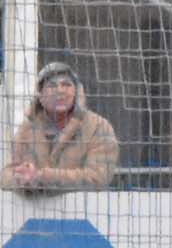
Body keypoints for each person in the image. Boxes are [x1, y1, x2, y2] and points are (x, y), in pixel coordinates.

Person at [4, 62, 118, 191]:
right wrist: (21, 179)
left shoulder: (98, 127)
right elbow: (6, 175)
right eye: (52, 85)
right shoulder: (27, 129)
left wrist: (43, 177)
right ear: (40, 95)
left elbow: (98, 177)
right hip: (34, 204)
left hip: (81, 204)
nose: (60, 90)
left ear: (76, 92)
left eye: (66, 84)